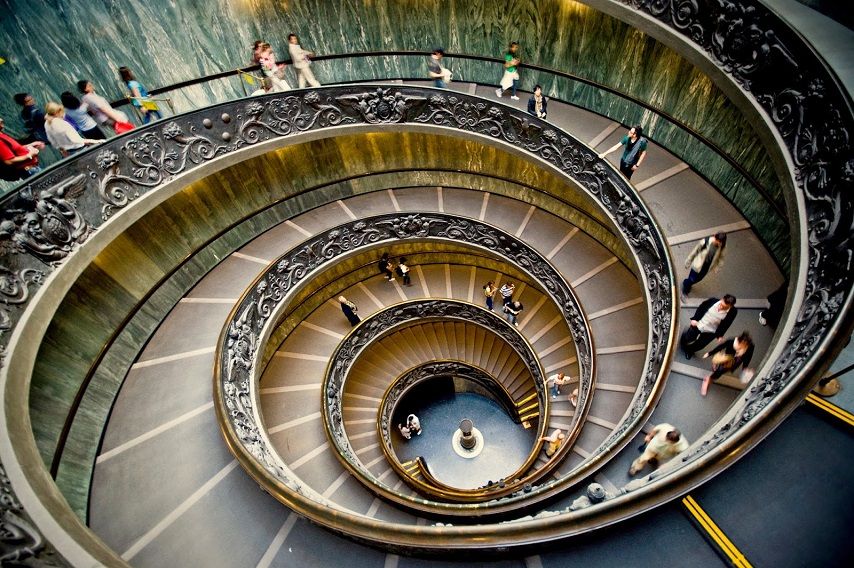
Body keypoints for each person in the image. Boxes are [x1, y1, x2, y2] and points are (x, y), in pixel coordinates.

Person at [679, 294, 737, 359]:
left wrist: (720, 335)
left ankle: (689, 350)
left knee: (700, 345)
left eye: (724, 307)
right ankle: (683, 340)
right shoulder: (712, 301)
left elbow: (726, 324)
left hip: (711, 330)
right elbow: (701, 308)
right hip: (699, 324)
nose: (720, 307)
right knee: (689, 337)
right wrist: (695, 319)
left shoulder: (733, 312)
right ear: (722, 299)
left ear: (731, 306)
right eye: (721, 304)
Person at [701, 331, 755, 396]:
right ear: (739, 341)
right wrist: (710, 353)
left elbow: (748, 357)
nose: (743, 346)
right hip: (727, 358)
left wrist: (745, 367)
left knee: (723, 370)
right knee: (720, 370)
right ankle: (708, 380)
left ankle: (714, 369)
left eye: (745, 345)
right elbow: (721, 347)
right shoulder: (731, 341)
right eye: (742, 344)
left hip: (735, 361)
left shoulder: (750, 346)